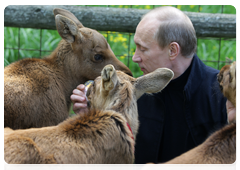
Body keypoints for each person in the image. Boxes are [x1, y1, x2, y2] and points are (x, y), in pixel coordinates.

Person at [70, 6, 236, 170]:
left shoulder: (224, 97)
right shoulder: (135, 92)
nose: (135, 57)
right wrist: (91, 115)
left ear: (172, 50)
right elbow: (110, 153)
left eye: (143, 49)